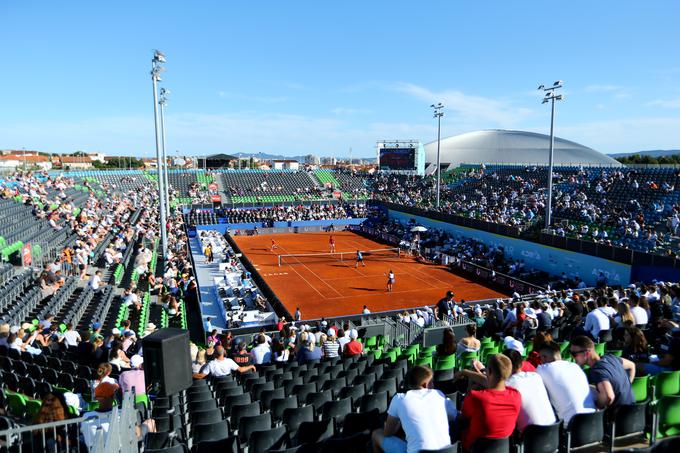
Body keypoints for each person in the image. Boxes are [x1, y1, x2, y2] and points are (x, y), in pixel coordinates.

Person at [371, 366, 457, 453]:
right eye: (432, 382)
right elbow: (454, 415)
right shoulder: (439, 395)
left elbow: (387, 433)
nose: (433, 385)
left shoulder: (399, 399)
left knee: (376, 434)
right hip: (448, 451)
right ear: (425, 384)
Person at [460, 354, 521, 451]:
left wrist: (469, 387)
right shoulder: (516, 395)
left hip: (473, 448)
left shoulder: (476, 397)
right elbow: (492, 384)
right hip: (503, 449)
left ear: (489, 371)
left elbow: (463, 417)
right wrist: (467, 372)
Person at [536, 341, 596, 424]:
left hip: (570, 425)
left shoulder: (542, 370)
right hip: (594, 419)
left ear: (544, 357)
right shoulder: (575, 366)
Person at [570, 335, 635, 409]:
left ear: (587, 353)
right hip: (633, 409)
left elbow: (609, 396)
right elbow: (632, 366)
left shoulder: (597, 371)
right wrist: (625, 386)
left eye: (574, 354)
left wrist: (596, 406)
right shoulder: (611, 357)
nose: (572, 357)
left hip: (617, 415)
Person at [503, 349, 556, 433]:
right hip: (553, 431)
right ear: (521, 363)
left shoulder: (507, 384)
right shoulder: (536, 376)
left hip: (530, 438)